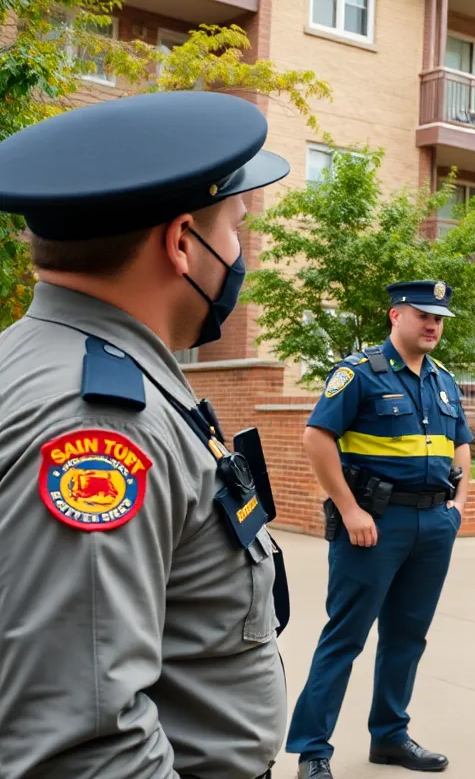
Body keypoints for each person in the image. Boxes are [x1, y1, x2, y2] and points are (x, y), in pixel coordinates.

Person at [0, 91, 291, 778]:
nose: (240, 251)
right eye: (234, 229)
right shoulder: (96, 425)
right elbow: (84, 744)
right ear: (181, 243)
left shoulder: (59, 360)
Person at [286, 280, 473, 778]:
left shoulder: (443, 380)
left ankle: (390, 737)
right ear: (396, 316)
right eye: (422, 315)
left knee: (408, 636)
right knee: (345, 636)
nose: (433, 325)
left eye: (439, 318)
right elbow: (316, 437)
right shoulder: (359, 374)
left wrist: (458, 505)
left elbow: (461, 444)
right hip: (374, 525)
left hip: (433, 524)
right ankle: (312, 751)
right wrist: (348, 509)